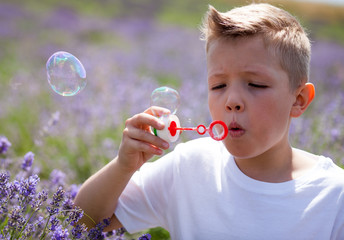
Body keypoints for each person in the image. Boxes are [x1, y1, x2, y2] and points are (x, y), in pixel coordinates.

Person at [74, 3, 344, 239]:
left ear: (298, 99)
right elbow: (82, 223)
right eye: (218, 86)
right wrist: (123, 166)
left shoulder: (333, 197)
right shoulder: (188, 167)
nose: (232, 100)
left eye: (255, 84)